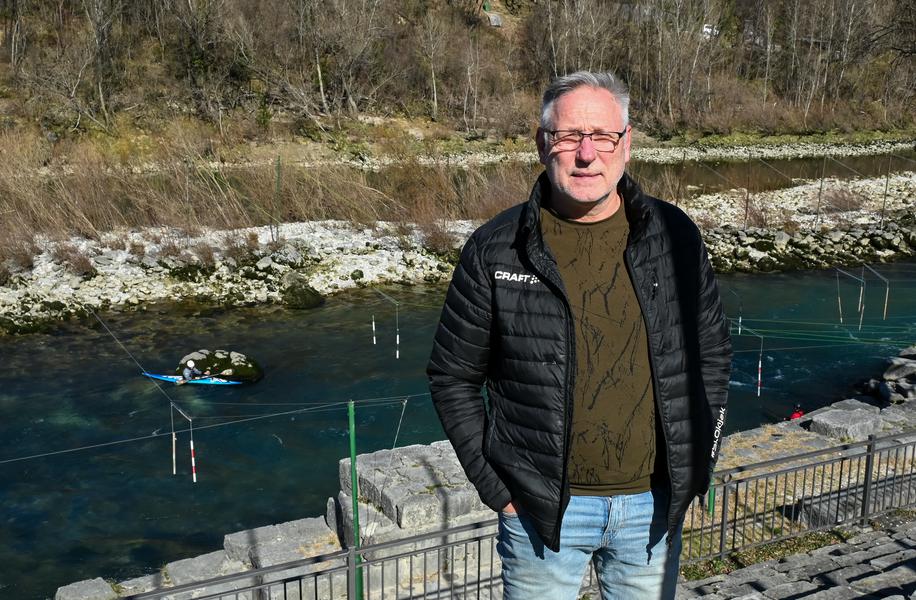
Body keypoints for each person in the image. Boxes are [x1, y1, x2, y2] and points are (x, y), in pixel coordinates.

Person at [427, 71, 732, 600]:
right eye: (569, 136)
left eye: (603, 136)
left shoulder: (676, 236)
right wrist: (499, 489)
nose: (586, 153)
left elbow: (712, 356)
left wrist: (700, 457)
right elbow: (452, 376)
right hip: (542, 513)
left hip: (652, 509)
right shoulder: (495, 249)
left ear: (627, 143)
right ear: (543, 143)